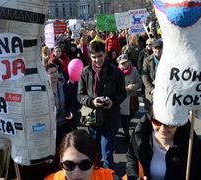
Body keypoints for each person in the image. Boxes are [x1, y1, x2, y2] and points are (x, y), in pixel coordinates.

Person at [126, 110, 201, 180]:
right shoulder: (141, 136)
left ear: (179, 123)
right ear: (151, 118)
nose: (162, 129)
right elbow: (132, 157)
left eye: (170, 124)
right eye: (157, 122)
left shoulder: (192, 146)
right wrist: (135, 176)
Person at [77, 41, 126, 169]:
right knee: (95, 152)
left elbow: (122, 94)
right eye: (94, 57)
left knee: (107, 153)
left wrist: (112, 101)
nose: (97, 60)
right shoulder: (85, 72)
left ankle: (108, 175)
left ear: (105, 54)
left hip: (110, 117)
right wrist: (92, 101)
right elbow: (80, 95)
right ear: (90, 56)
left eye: (100, 56)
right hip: (92, 116)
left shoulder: (116, 72)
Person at [45, 130, 119, 180]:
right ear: (61, 160)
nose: (76, 173)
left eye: (84, 164)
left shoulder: (109, 178)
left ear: (94, 160)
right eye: (69, 165)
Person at [117, 54, 141, 144]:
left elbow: (139, 83)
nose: (124, 64)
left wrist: (132, 86)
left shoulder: (134, 70)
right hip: (122, 99)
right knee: (123, 119)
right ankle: (126, 135)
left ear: (128, 61)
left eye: (125, 62)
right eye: (122, 63)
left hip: (132, 97)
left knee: (131, 115)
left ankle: (126, 131)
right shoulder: (117, 71)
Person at [141, 39, 163, 110]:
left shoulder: (167, 59)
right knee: (151, 111)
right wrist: (151, 89)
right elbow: (144, 76)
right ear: (153, 49)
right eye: (156, 48)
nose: (158, 50)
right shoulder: (147, 60)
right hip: (151, 88)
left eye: (160, 48)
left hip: (164, 89)